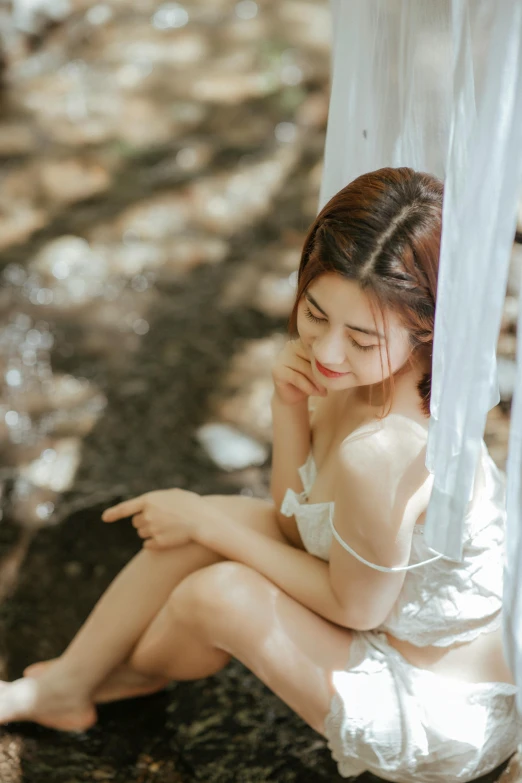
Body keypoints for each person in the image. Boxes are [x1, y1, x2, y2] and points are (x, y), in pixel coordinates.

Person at [0, 167, 519, 782]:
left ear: (425, 331)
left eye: (360, 336)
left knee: (216, 590)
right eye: (316, 314)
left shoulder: (387, 447)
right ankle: (66, 685)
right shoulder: (361, 378)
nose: (326, 352)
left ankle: (114, 681)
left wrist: (202, 523)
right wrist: (288, 407)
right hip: (386, 618)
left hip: (434, 708)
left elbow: (355, 610)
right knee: (216, 521)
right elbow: (295, 520)